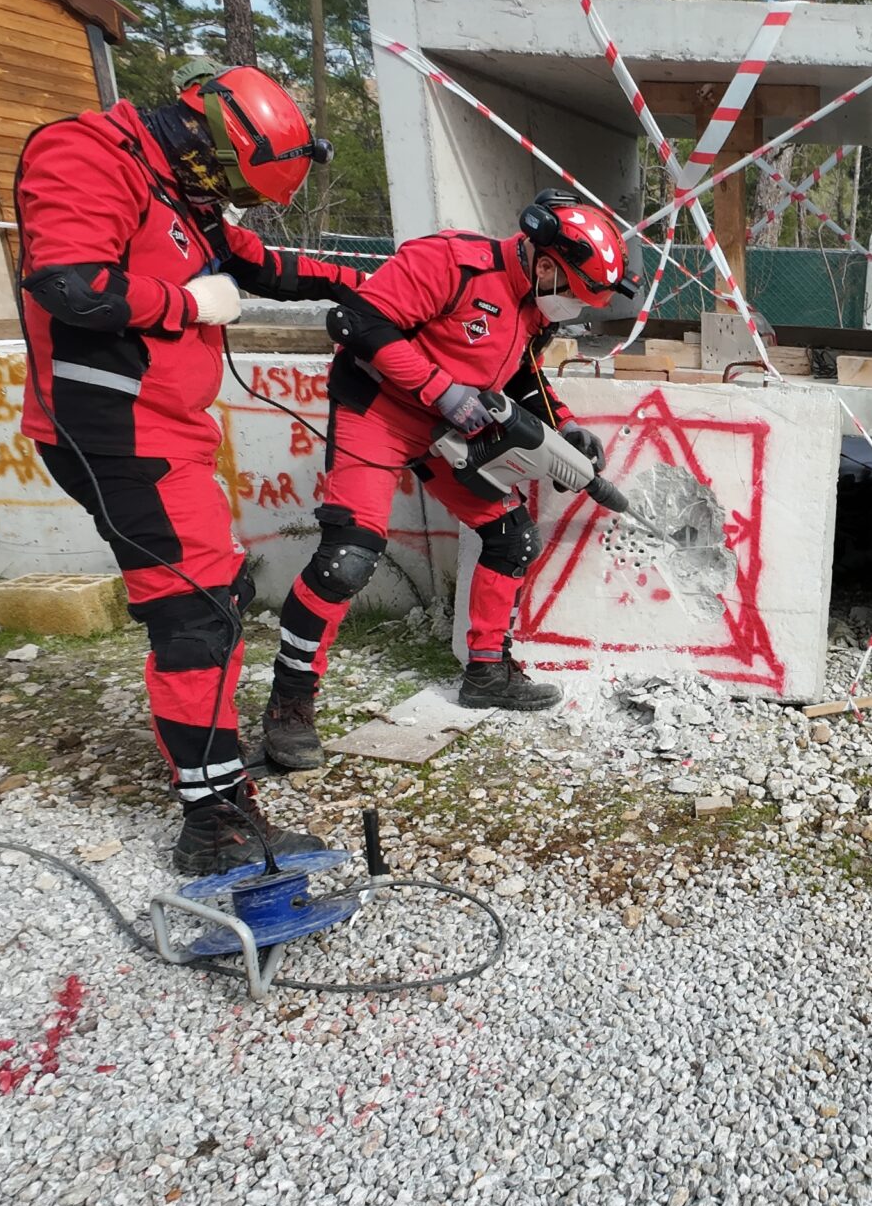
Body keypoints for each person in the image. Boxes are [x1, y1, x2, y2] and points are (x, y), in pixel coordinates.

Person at [13, 61, 367, 874]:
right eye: (235, 186)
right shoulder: (88, 153)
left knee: (214, 598)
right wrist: (186, 307)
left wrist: (387, 284)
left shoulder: (182, 193)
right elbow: (70, 283)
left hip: (165, 430)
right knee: (197, 614)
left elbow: (261, 264)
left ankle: (216, 792)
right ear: (212, 142)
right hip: (115, 430)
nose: (232, 204)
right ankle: (215, 828)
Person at [256, 190, 634, 771]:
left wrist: (566, 427)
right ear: (546, 262)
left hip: (450, 431)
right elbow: (357, 322)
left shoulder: (536, 306)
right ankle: (290, 702)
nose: (573, 310)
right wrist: (441, 389)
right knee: (348, 558)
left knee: (512, 538)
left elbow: (523, 379)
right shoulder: (452, 262)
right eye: (574, 295)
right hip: (378, 411)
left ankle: (487, 672)